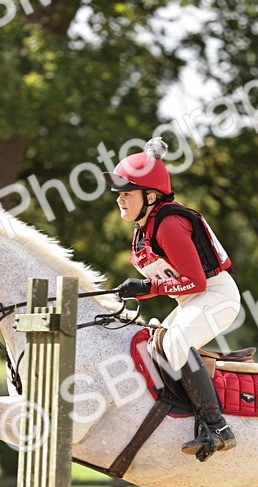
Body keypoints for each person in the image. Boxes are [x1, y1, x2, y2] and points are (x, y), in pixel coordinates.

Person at [105, 137, 242, 460]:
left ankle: (217, 426)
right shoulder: (144, 228)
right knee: (150, 344)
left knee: (176, 343)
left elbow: (195, 280)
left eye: (127, 194)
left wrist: (147, 288)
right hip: (193, 301)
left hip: (216, 297)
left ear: (150, 196)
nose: (120, 201)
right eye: (119, 195)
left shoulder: (168, 224)